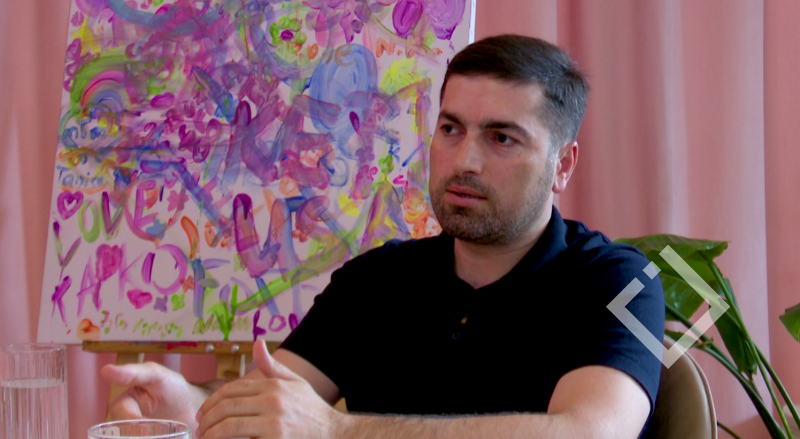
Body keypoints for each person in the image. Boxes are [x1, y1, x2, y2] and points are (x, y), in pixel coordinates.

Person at [101, 34, 665, 439]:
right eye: (451, 129)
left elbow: (591, 433)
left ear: (563, 164)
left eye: (502, 138)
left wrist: (338, 430)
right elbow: (276, 400)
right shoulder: (376, 279)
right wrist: (188, 406)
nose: (464, 161)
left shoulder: (625, 283)